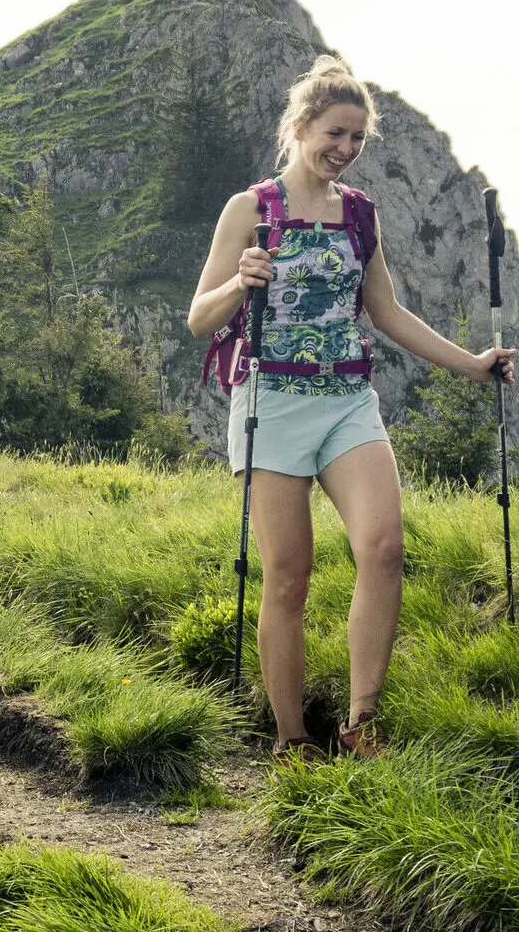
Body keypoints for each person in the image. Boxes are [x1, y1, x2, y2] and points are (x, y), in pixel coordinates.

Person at [188, 55, 514, 760]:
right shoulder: (251, 209)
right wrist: (240, 283)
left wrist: (471, 363)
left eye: (357, 137)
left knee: (385, 547)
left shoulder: (360, 213)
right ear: (301, 126)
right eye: (335, 133)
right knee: (289, 577)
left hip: (347, 401)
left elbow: (385, 311)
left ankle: (363, 721)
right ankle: (292, 739)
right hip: (272, 400)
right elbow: (197, 318)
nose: (345, 148)